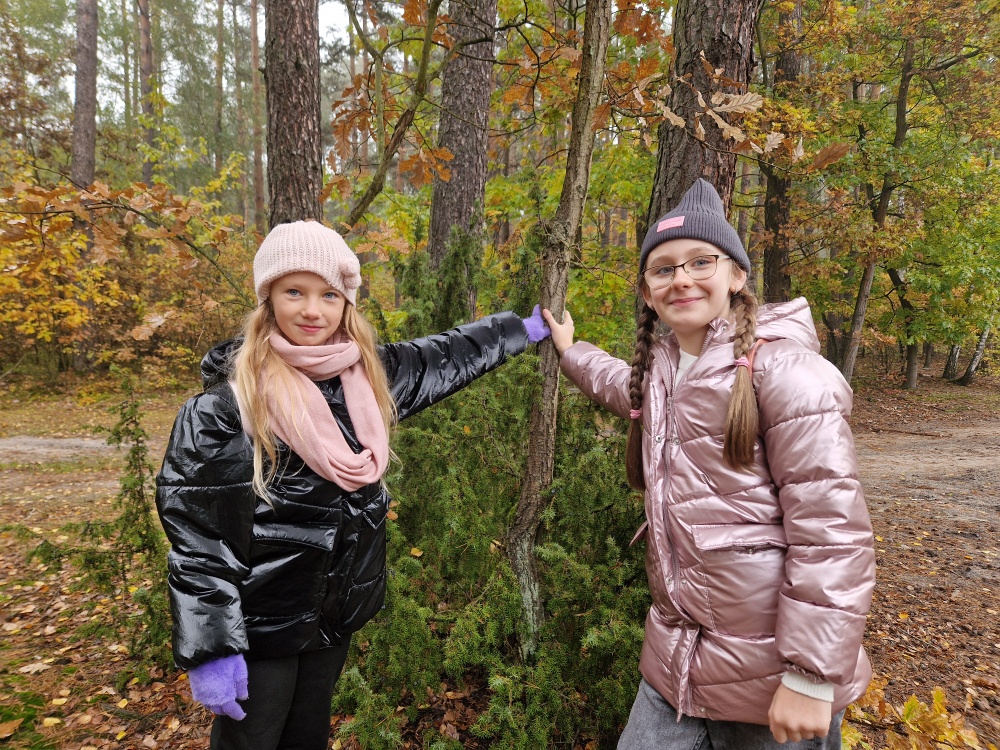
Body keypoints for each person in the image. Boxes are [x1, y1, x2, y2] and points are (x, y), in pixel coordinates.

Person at [155, 220, 550, 750]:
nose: (312, 310)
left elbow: (445, 356)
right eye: (294, 292)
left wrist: (522, 329)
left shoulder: (367, 377)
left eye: (329, 295)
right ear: (268, 297)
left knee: (308, 736)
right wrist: (212, 648)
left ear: (346, 303)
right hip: (258, 628)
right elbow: (200, 539)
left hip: (332, 619)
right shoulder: (225, 408)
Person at [541, 179, 875, 749]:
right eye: (663, 269)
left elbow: (832, 532)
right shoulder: (662, 372)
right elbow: (619, 384)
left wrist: (811, 675)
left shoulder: (787, 372)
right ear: (648, 292)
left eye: (701, 261)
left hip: (772, 674)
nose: (681, 279)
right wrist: (571, 351)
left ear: (736, 275)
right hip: (677, 664)